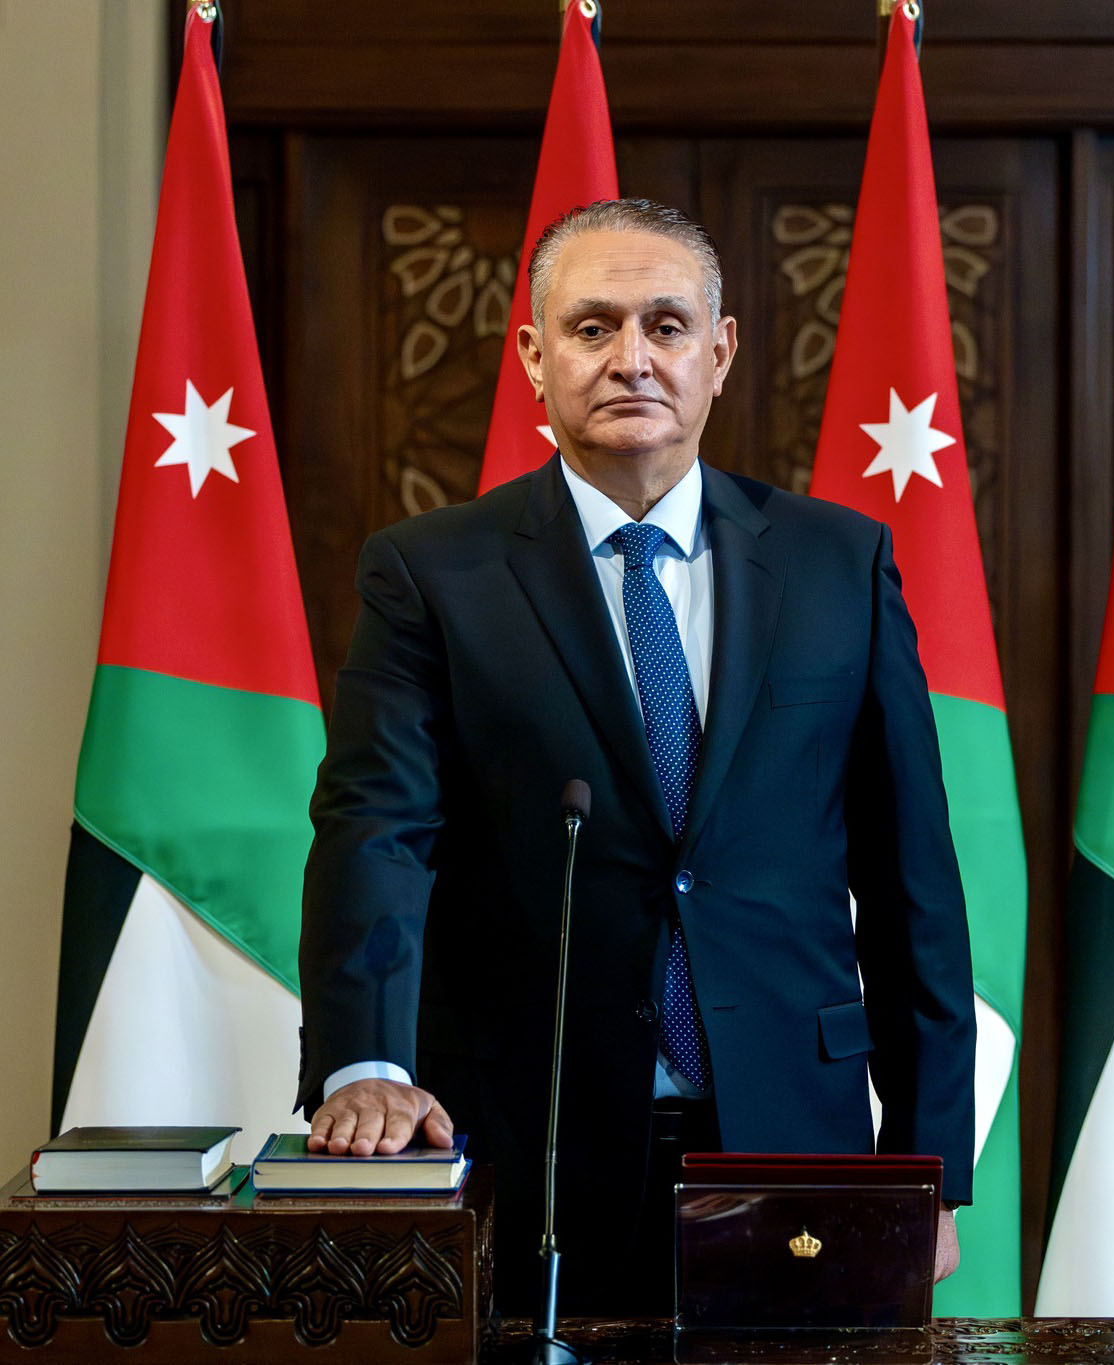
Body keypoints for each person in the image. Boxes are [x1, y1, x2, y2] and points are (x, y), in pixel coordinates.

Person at [296, 198, 974, 1314]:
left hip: (791, 1133)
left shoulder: (838, 564)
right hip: (529, 1134)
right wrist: (367, 1062)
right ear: (534, 357)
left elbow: (913, 881)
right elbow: (378, 830)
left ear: (721, 351)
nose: (631, 359)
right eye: (592, 327)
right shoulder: (430, 573)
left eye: (665, 325)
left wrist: (927, 1164)